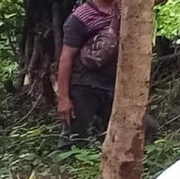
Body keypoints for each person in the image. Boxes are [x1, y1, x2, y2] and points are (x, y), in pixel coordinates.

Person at [57, 0, 157, 149]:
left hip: (115, 86)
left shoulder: (124, 8)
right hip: (84, 86)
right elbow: (66, 58)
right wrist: (63, 98)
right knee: (77, 138)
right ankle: (69, 168)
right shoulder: (80, 17)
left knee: (146, 127)